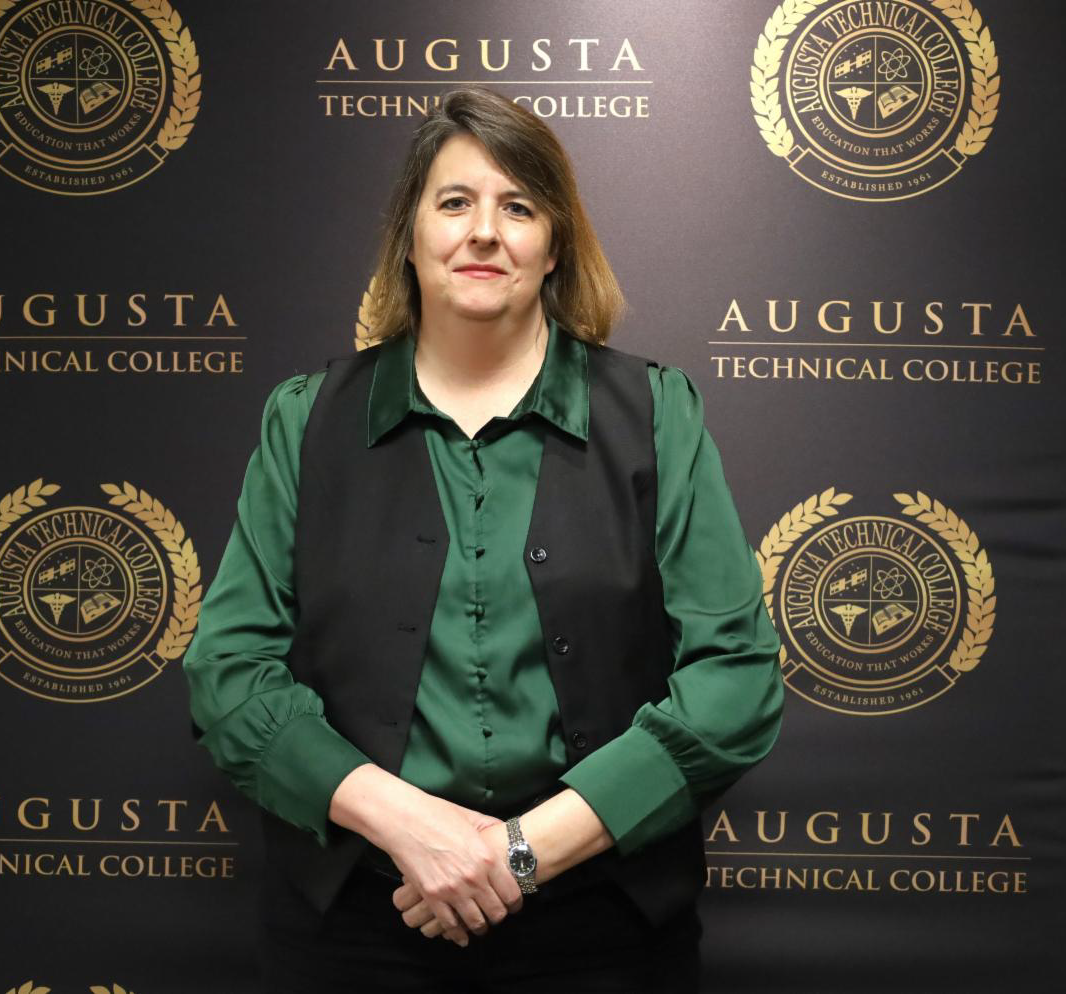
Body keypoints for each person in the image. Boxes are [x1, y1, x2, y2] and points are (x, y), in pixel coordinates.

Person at [183, 85, 784, 993]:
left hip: (602, 929)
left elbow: (734, 677)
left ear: (554, 248)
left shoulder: (657, 412)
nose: (484, 232)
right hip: (358, 922)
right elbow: (227, 672)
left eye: (519, 207)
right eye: (455, 202)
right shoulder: (305, 421)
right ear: (410, 237)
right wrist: (408, 827)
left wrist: (518, 853)